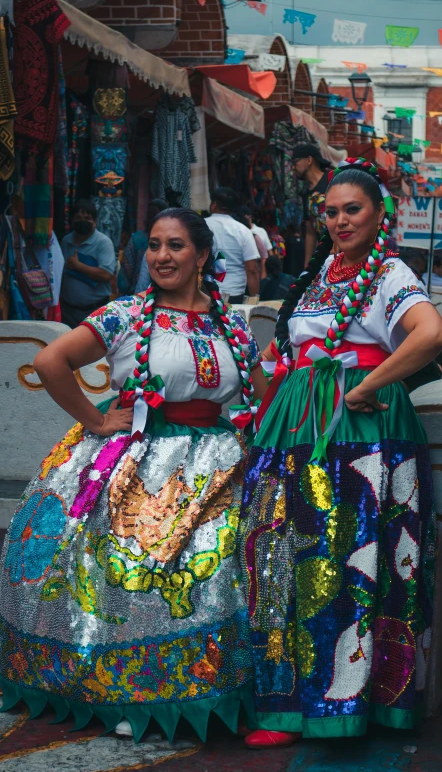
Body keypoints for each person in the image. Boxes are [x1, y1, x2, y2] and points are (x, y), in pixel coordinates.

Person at [0, 208, 261, 742]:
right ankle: (128, 692)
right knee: (129, 572)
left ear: (203, 255)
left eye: (176, 246)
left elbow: (260, 392)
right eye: (155, 246)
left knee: (225, 570)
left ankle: (213, 688)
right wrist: (96, 420)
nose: (162, 256)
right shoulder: (125, 316)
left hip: (218, 462)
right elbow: (51, 361)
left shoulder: (231, 323)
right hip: (138, 464)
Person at [238, 158, 442, 749]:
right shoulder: (324, 270)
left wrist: (367, 384)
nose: (338, 220)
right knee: (282, 555)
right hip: (297, 425)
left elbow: (431, 335)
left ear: (379, 213)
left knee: (351, 557)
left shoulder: (389, 272)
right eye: (329, 211)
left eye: (351, 209)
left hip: (358, 431)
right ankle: (288, 704)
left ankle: (352, 702)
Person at [60, 199, 116, 328]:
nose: (82, 221)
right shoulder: (66, 241)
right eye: (78, 217)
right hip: (67, 311)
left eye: (87, 218)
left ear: (94, 221)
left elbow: (106, 274)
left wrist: (77, 265)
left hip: (94, 311)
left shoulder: (103, 242)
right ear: (72, 220)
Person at [206, 188, 259, 304]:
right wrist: (254, 299)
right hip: (235, 294)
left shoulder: (200, 226)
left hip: (205, 291)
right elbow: (252, 269)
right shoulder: (243, 231)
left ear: (214, 205)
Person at [118, 198, 169, 294]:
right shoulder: (137, 239)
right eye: (150, 215)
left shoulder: (169, 241)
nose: (152, 219)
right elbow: (125, 272)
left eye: (155, 215)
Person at [292, 143, 331, 266]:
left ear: (309, 160)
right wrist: (307, 266)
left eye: (296, 162)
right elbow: (310, 232)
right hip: (326, 258)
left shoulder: (333, 180)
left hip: (347, 252)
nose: (292, 167)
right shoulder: (306, 194)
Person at [237, 205, 270, 280]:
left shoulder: (256, 236)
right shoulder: (236, 236)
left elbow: (264, 256)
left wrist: (263, 276)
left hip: (254, 275)